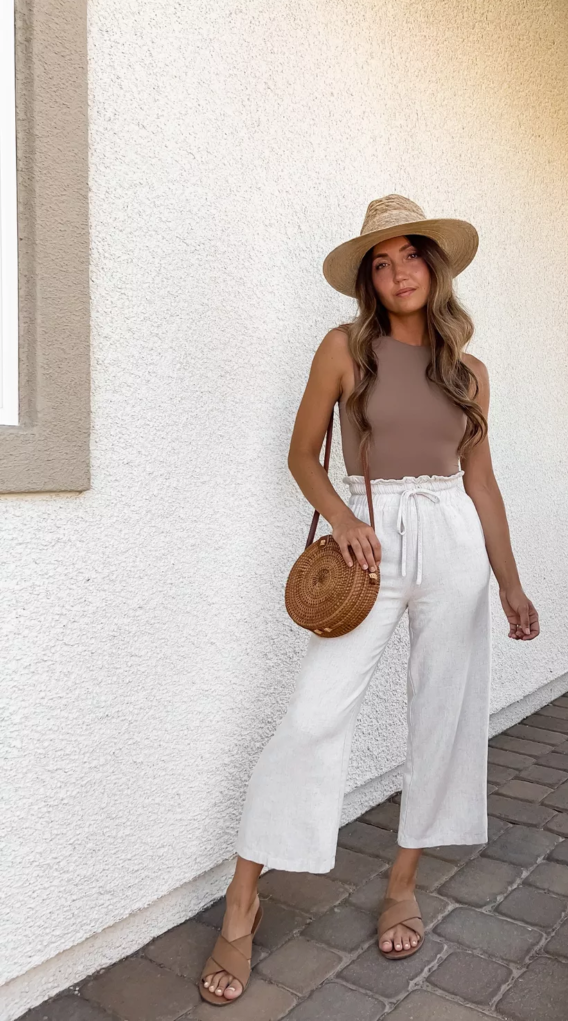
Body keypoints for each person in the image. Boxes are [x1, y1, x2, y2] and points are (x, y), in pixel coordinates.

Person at [200, 194, 539, 1005]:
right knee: (313, 716)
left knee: (446, 713)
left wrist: (511, 581)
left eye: (410, 256)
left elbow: (482, 484)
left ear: (435, 264)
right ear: (369, 281)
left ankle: (402, 883)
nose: (397, 273)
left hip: (453, 539)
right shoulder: (344, 349)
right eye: (380, 264)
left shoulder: (469, 371)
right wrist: (349, 517)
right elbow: (301, 455)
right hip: (374, 539)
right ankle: (242, 902)